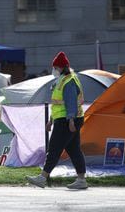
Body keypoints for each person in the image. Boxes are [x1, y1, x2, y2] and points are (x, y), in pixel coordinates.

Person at [26, 51, 88, 189]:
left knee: (54, 148)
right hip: (66, 119)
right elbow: (58, 103)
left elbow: (71, 101)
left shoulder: (69, 81)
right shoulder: (62, 80)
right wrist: (51, 120)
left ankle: (42, 177)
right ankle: (81, 179)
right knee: (74, 150)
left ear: (60, 68)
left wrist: (71, 120)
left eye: (54, 67)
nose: (53, 70)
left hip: (68, 120)